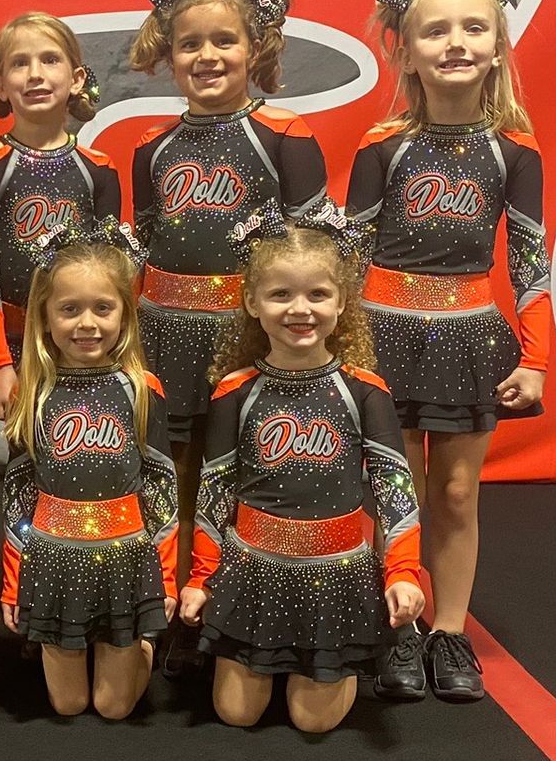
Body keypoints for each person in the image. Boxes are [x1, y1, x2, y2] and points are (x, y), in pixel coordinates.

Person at [127, 0, 335, 672]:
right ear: (168, 53)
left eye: (224, 42)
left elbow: (314, 248)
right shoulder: (151, 147)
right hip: (162, 331)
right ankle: (181, 600)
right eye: (191, 44)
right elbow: (144, 242)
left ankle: (243, 603)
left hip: (246, 334)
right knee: (176, 468)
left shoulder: (286, 135)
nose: (207, 56)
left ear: (257, 49)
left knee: (240, 467)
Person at [349, 0, 550, 702]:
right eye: (436, 30)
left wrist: (537, 361)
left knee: (458, 492)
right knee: (392, 487)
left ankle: (450, 631)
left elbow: (531, 260)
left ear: (498, 46)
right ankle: (397, 622)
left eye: (474, 27)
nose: (455, 42)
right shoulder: (383, 146)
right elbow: (349, 253)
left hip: (468, 340)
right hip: (383, 336)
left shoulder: (514, 151)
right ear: (405, 51)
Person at [180, 210, 426, 732]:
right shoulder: (235, 392)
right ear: (251, 302)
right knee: (236, 714)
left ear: (341, 302)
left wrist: (402, 572)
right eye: (281, 295)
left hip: (335, 576)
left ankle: (324, 662)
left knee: (313, 723)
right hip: (254, 571)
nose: (300, 309)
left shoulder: (365, 391)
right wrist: (202, 578)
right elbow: (213, 494)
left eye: (317, 295)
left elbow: (396, 492)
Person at [0, 218, 177, 719]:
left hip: (124, 556)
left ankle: (138, 645)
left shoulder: (142, 389)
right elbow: (16, 496)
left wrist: (161, 580)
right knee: (69, 704)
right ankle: (77, 642)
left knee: (114, 707)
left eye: (103, 308)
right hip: (56, 561)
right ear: (45, 316)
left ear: (125, 313)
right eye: (69, 309)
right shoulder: (32, 394)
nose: (87, 324)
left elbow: (162, 492)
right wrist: (14, 581)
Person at [0, 12, 122, 417]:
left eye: (50, 60)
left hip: (80, 339)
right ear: (0, 84)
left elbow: (111, 272)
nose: (35, 74)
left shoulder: (99, 168)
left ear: (77, 78)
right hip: (11, 341)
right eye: (19, 63)